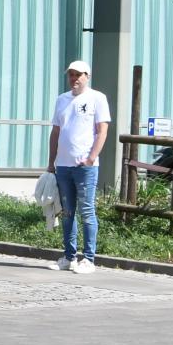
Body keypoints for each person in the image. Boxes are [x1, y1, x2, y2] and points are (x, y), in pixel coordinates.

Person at [49, 59, 110, 273]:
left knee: (86, 210)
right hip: (63, 165)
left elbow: (102, 130)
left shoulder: (97, 98)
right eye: (71, 75)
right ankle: (69, 256)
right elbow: (56, 132)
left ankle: (90, 258)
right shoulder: (62, 100)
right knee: (67, 211)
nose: (74, 78)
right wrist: (51, 163)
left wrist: (91, 157)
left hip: (85, 166)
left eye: (79, 75)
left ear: (87, 76)